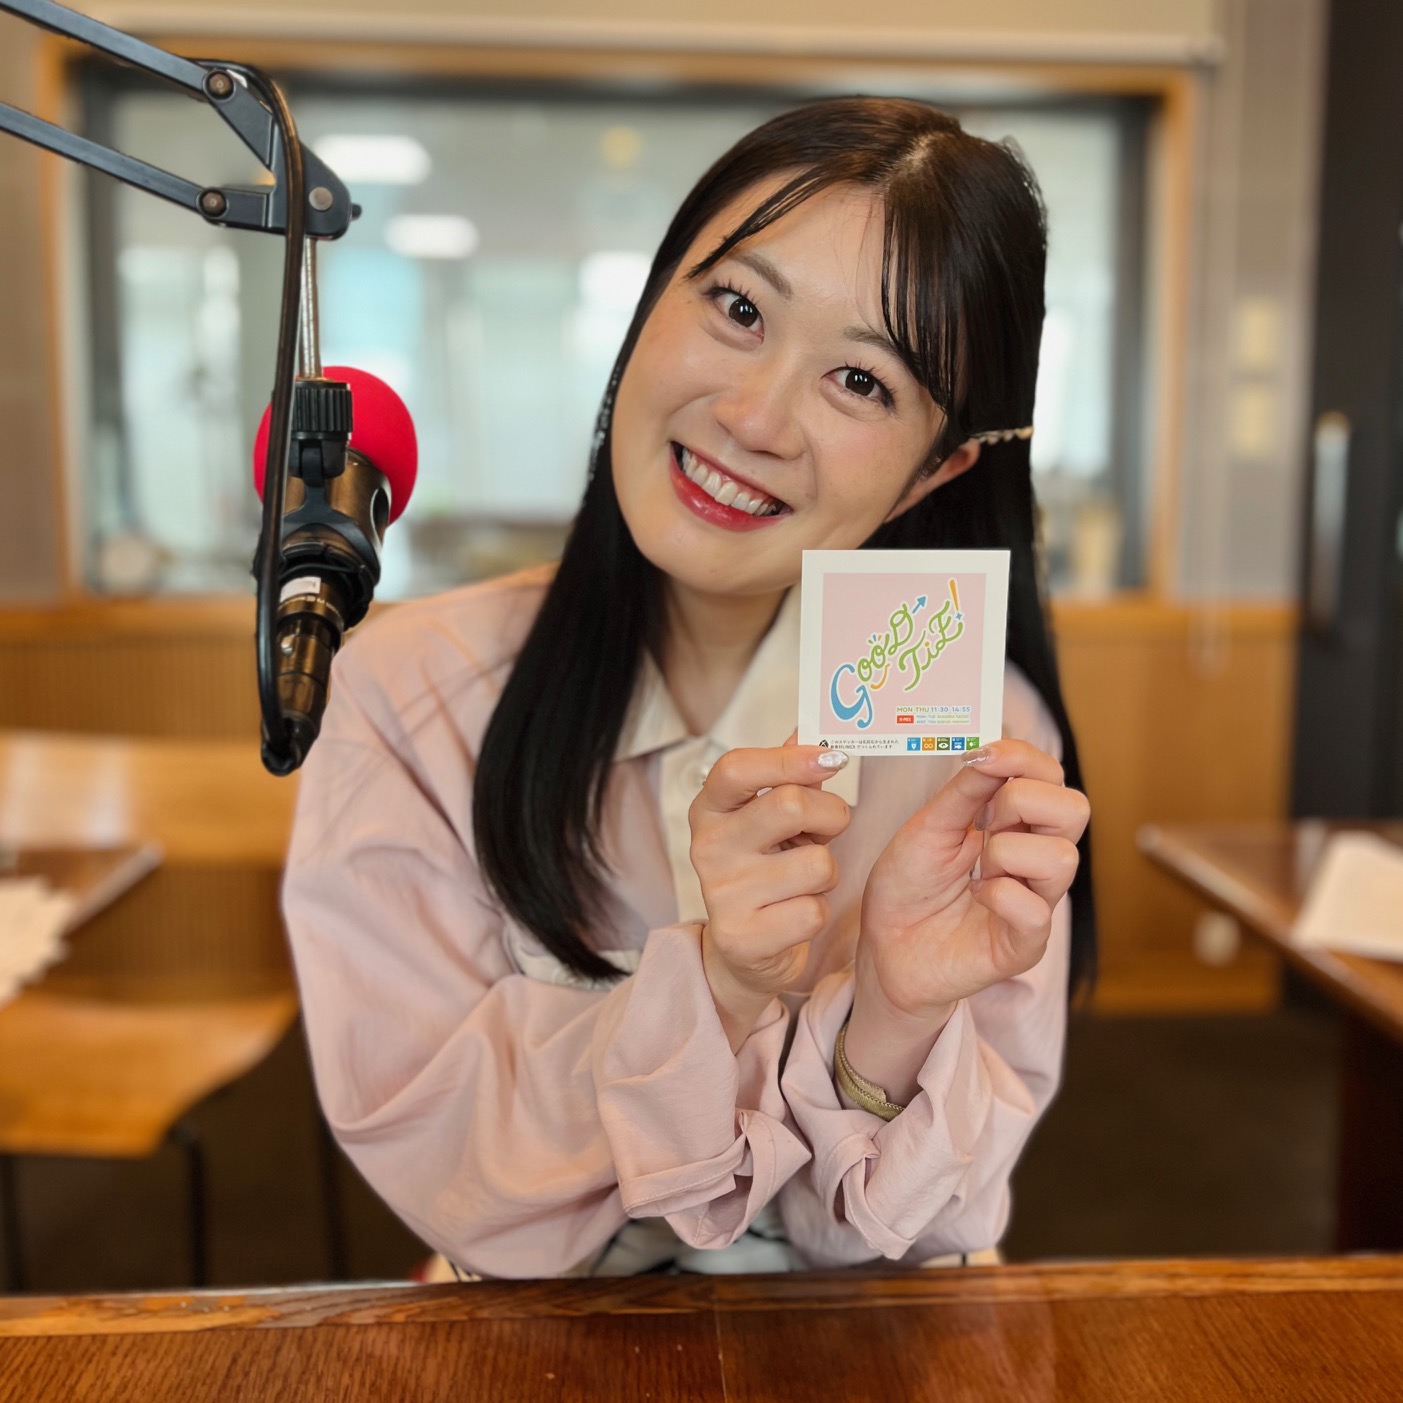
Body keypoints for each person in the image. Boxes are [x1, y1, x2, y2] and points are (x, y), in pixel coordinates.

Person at [282, 96, 1094, 1279]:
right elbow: (439, 1155)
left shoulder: (979, 742)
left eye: (860, 381)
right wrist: (709, 990)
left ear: (934, 469)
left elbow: (904, 1239)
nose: (753, 418)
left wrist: (895, 1019)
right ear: (649, 303)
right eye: (738, 308)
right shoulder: (412, 698)